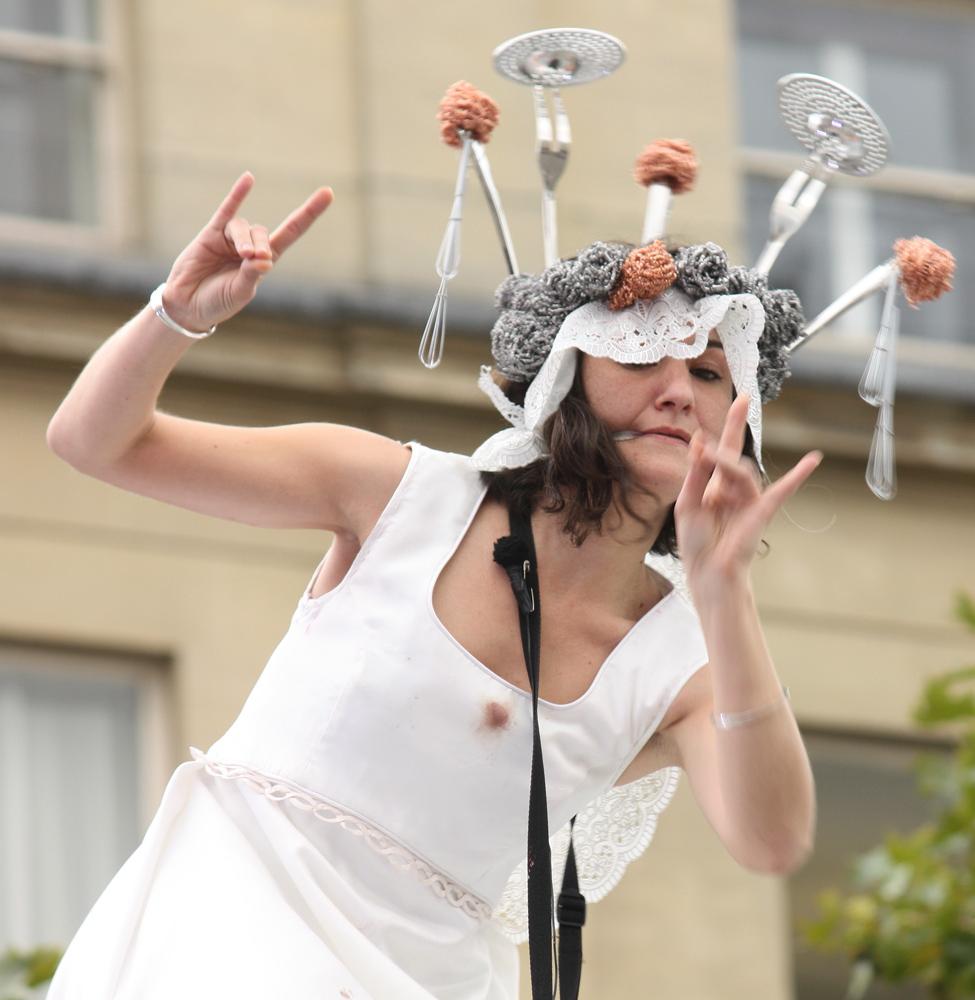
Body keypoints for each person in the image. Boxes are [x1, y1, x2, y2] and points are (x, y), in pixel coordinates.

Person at [44, 172, 820, 999]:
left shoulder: (683, 662)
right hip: (235, 913)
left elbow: (770, 843)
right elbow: (96, 444)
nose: (676, 390)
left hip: (430, 974)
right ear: (564, 376)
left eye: (707, 373)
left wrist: (722, 590)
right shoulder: (398, 494)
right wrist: (173, 316)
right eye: (640, 355)